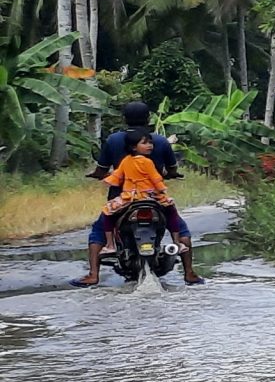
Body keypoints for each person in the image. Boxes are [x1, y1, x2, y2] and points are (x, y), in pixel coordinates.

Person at [75, 102, 201, 286]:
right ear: (148, 118)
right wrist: (168, 178)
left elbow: (104, 171)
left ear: (124, 119)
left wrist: (100, 176)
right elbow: (171, 170)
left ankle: (94, 274)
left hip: (123, 197)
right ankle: (189, 272)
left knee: (99, 231)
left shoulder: (114, 140)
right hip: (154, 198)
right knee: (180, 228)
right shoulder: (159, 141)